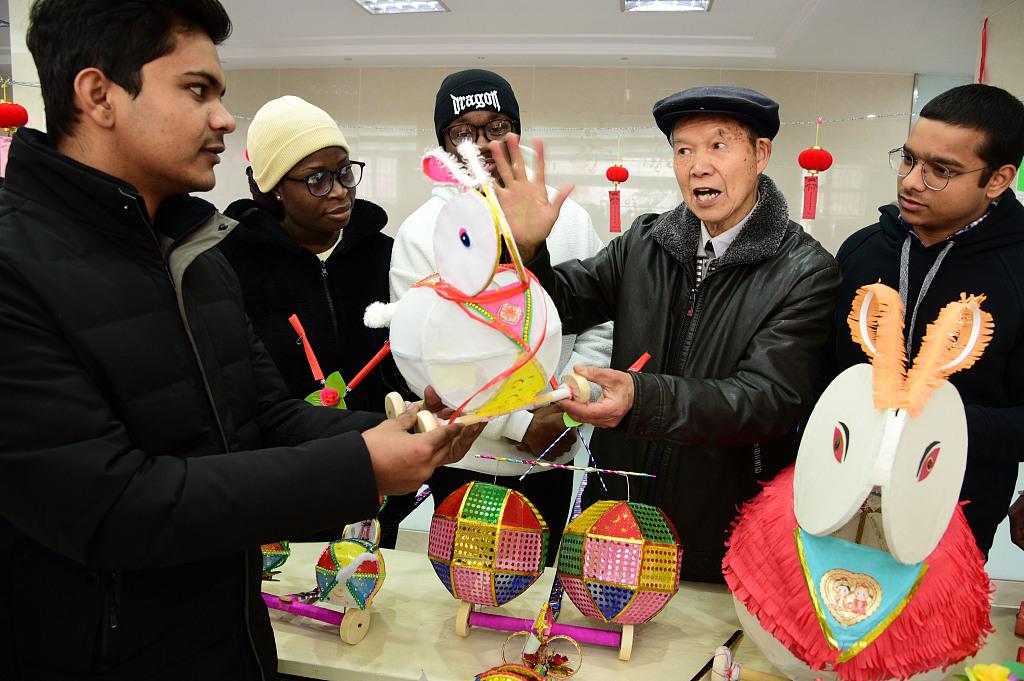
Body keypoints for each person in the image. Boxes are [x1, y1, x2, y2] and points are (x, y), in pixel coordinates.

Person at [0, 1, 480, 679]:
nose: (225, 118)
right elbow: (111, 507)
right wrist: (359, 467)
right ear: (98, 95)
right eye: (197, 90)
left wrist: (398, 430)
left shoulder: (194, 256)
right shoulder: (15, 266)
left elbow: (267, 415)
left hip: (231, 641)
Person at [490, 85, 842, 582]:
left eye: (718, 145)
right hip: (615, 511)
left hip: (720, 526)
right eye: (683, 149)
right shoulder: (646, 241)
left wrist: (640, 399)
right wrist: (524, 252)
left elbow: (769, 399)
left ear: (761, 153)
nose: (698, 166)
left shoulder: (805, 270)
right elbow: (559, 304)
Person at [390, 69, 612, 565]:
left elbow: (600, 319)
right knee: (464, 605)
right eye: (462, 132)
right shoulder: (423, 232)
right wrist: (516, 424)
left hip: (556, 454)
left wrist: (573, 399)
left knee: (535, 609)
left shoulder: (568, 217)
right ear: (443, 145)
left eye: (497, 126)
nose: (483, 144)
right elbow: (427, 361)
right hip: (464, 457)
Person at [817, 83, 1024, 559]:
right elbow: (822, 372)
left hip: (953, 512)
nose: (911, 181)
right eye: (909, 160)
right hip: (838, 493)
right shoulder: (864, 248)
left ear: (997, 179)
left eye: (941, 171)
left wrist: (936, 424)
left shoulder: (1020, 273)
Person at [219, 95, 415, 547]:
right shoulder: (228, 264)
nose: (341, 189)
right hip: (279, 485)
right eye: (318, 180)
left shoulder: (387, 256)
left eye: (344, 171)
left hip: (376, 475)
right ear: (274, 188)